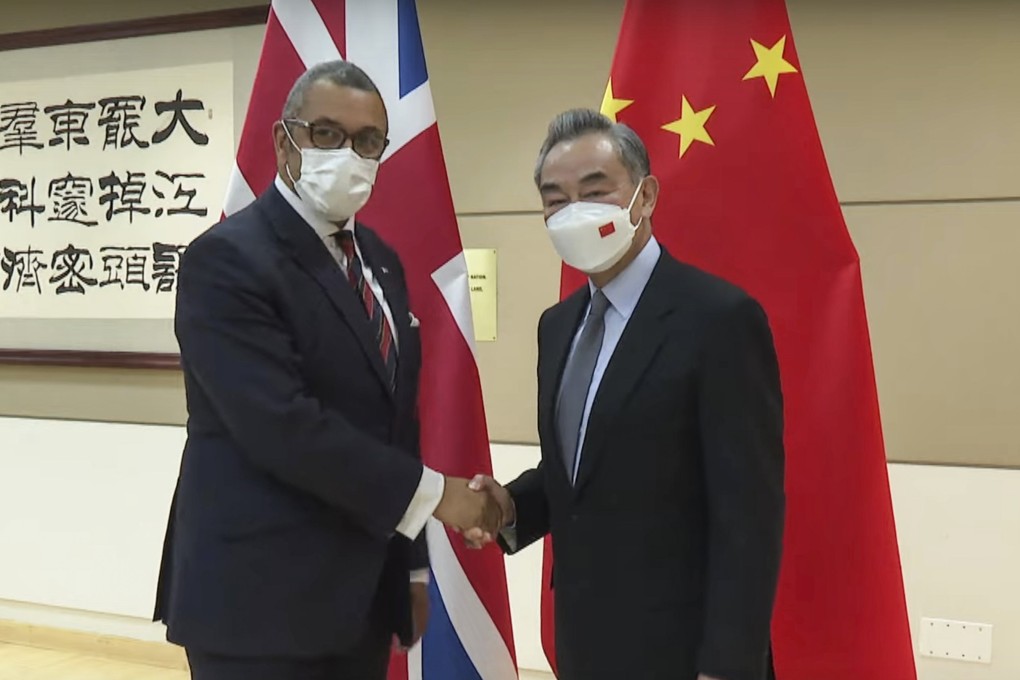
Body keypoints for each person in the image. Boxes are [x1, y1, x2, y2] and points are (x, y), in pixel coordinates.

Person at [152, 60, 502, 680]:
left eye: (368, 141)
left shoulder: (382, 264)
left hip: (358, 599)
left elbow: (395, 425)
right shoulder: (226, 261)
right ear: (285, 140)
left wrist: (411, 569)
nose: (349, 153)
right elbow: (281, 427)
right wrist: (442, 497)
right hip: (256, 602)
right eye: (327, 133)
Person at [468, 109, 785, 680]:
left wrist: (727, 665)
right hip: (585, 641)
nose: (574, 212)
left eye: (595, 190)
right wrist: (511, 506)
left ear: (645, 197)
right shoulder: (557, 326)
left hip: (685, 651)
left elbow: (750, 516)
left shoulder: (719, 319)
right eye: (555, 198)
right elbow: (583, 469)